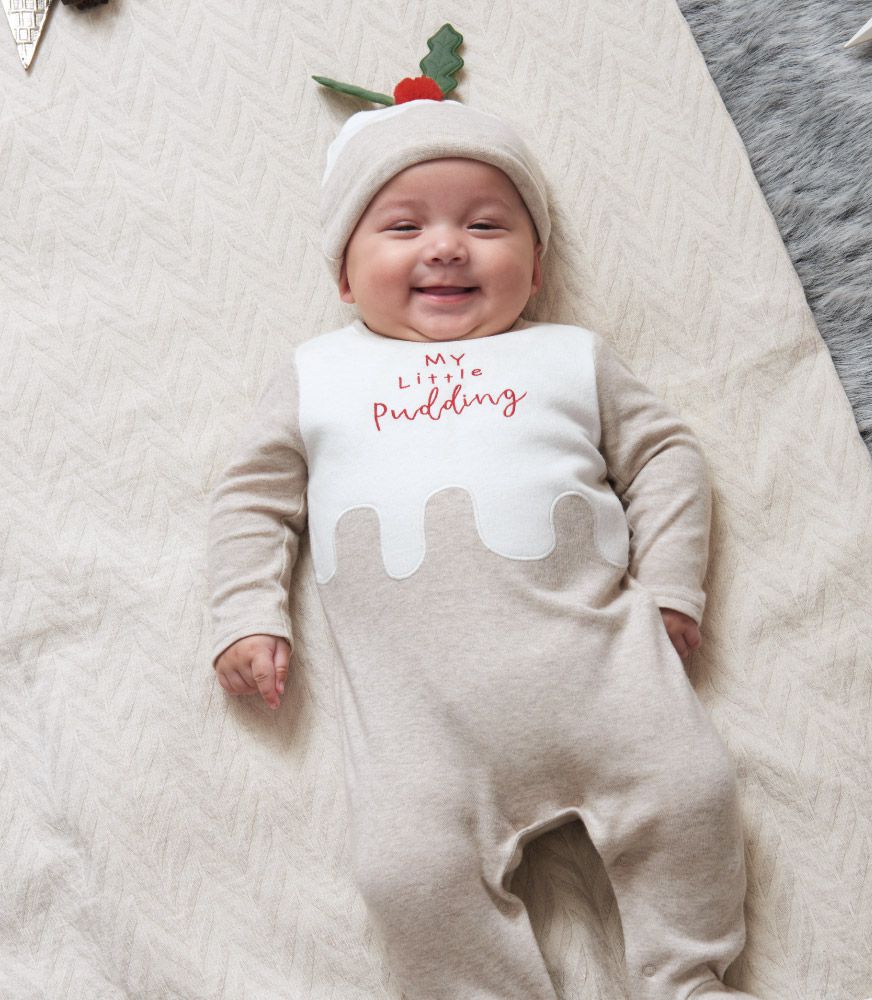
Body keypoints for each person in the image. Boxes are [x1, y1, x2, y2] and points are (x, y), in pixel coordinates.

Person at [206, 97, 757, 1000]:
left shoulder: (569, 356)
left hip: (606, 674)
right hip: (421, 728)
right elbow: (251, 496)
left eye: (486, 225)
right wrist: (245, 612)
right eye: (403, 226)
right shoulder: (318, 375)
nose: (447, 247)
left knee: (693, 795)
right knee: (404, 876)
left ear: (535, 267)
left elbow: (666, 456)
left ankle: (688, 979)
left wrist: (670, 586)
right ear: (343, 273)